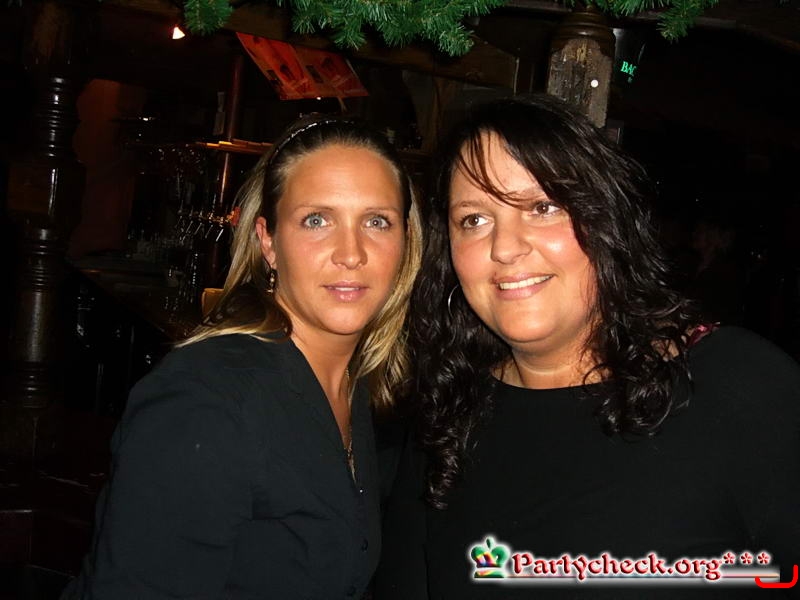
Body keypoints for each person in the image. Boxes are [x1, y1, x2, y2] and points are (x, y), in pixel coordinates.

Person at [375, 96, 800, 599]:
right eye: (474, 219)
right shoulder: (447, 418)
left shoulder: (740, 385)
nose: (505, 248)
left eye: (542, 207)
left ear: (605, 222)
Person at [61, 116, 421, 599]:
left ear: (405, 241)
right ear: (267, 241)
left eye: (377, 221)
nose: (351, 253)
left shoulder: (352, 385)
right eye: (317, 220)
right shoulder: (205, 401)